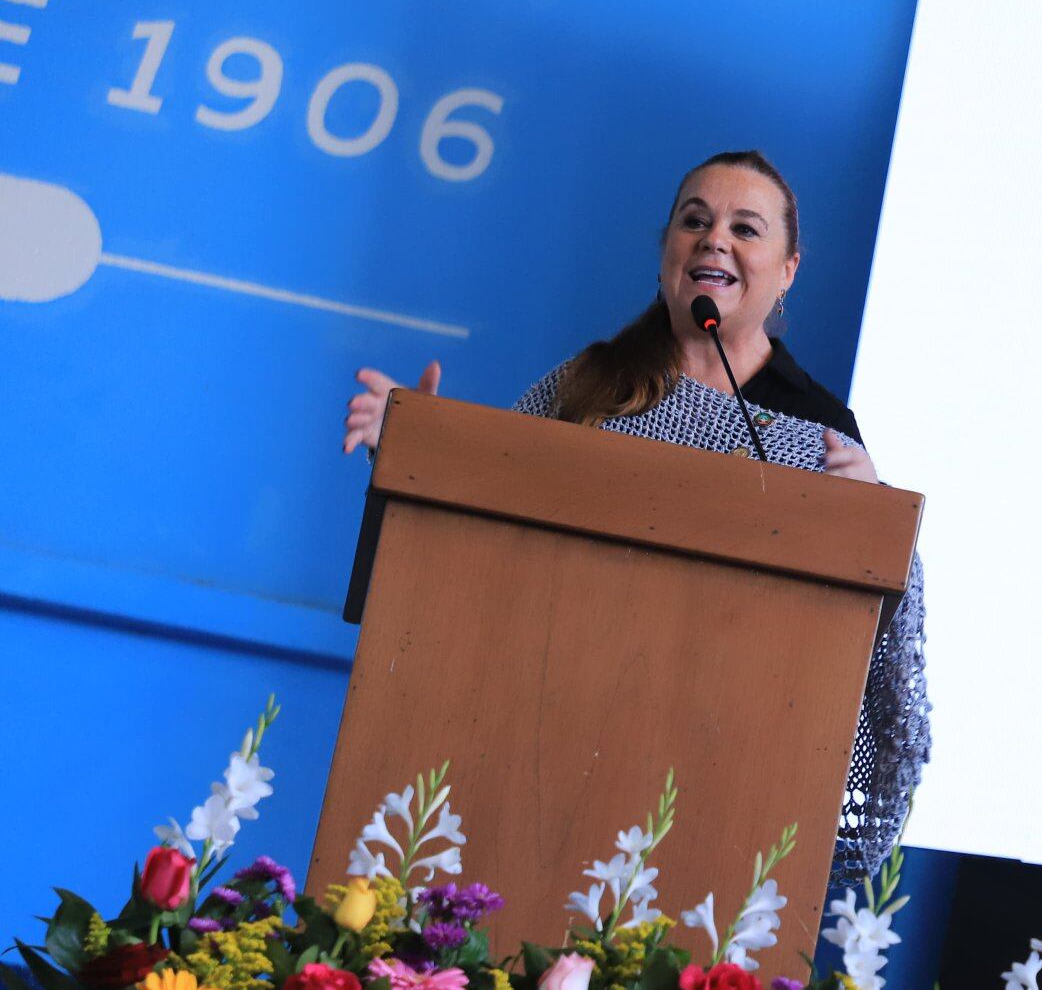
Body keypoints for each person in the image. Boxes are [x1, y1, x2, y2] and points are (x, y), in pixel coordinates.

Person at [340, 150, 928, 885]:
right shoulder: (589, 383)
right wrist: (418, 446)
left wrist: (869, 521)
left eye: (745, 228)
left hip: (715, 794)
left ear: (787, 271)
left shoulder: (821, 433)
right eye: (694, 221)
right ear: (666, 254)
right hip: (532, 746)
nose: (714, 239)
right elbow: (487, 528)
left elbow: (867, 650)